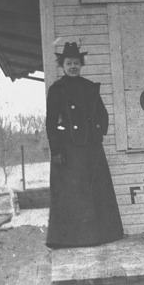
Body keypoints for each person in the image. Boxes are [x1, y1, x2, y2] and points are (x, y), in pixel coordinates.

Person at [45, 42, 124, 248]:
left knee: (95, 191)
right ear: (62, 65)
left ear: (81, 65)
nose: (73, 67)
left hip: (91, 148)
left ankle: (100, 235)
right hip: (68, 150)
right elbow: (51, 123)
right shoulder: (57, 90)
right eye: (69, 63)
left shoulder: (89, 87)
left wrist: (97, 133)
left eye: (76, 63)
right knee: (72, 194)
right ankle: (71, 239)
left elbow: (102, 114)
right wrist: (56, 151)